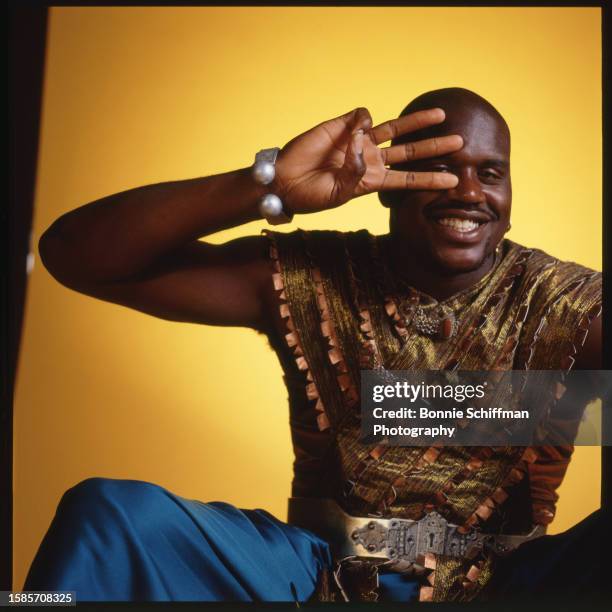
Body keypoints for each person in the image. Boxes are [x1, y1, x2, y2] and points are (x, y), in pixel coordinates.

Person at [25, 88, 602, 603]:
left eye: (490, 173)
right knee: (109, 517)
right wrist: (267, 187)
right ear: (388, 185)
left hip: (508, 586)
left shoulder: (566, 304)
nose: (468, 192)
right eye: (439, 170)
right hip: (316, 574)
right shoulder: (316, 276)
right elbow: (74, 253)